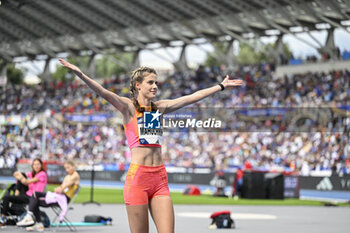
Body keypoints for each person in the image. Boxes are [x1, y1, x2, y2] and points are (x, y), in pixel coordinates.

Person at [58, 58, 243, 233]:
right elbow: (104, 92)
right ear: (138, 85)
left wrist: (221, 86)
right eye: (150, 82)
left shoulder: (159, 108)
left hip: (160, 179)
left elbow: (192, 97)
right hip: (138, 179)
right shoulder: (128, 108)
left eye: (156, 83)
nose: (155, 86)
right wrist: (81, 74)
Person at [16, 159, 80, 232]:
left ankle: (34, 220)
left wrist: (60, 189)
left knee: (35, 198)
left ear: (73, 166)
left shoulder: (75, 175)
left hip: (63, 199)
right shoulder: (68, 176)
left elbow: (63, 188)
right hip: (58, 196)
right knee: (35, 195)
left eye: (68, 168)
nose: (67, 170)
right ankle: (34, 220)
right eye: (65, 168)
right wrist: (59, 189)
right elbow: (61, 188)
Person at [0, 158, 47, 225]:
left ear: (41, 165)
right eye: (34, 164)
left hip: (32, 197)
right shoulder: (33, 174)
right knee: (22, 176)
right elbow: (16, 174)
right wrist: (19, 178)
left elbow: (26, 181)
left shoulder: (42, 174)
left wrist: (20, 177)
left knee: (6, 197)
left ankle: (3, 218)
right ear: (32, 166)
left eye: (38, 164)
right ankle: (17, 192)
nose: (36, 166)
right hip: (26, 194)